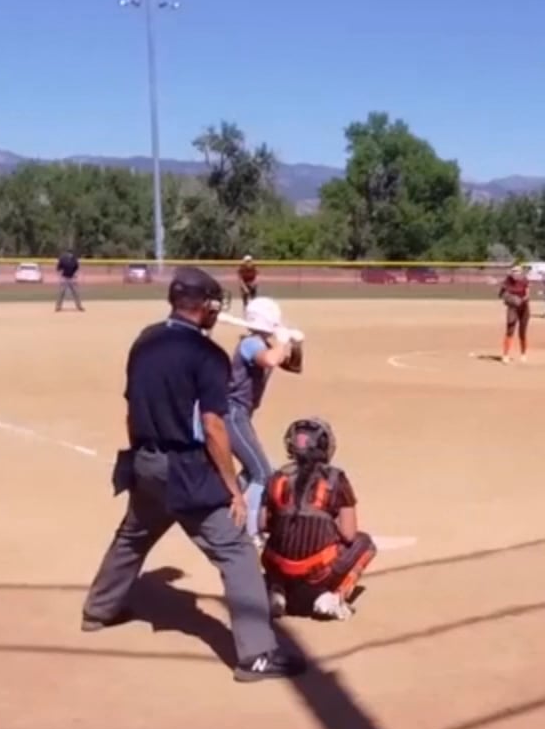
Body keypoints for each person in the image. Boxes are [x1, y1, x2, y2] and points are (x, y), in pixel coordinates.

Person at [79, 268, 304, 682]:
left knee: (133, 534)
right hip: (184, 467)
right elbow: (214, 427)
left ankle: (99, 609)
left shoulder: (145, 341)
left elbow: (131, 410)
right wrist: (232, 490)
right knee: (236, 550)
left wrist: (140, 457)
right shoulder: (207, 355)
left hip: (146, 458)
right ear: (205, 307)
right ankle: (256, 655)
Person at [261, 417, 377, 621]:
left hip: (279, 566)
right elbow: (349, 534)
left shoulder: (277, 477)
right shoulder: (335, 479)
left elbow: (262, 524)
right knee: (365, 543)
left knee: (270, 545)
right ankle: (334, 597)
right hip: (318, 572)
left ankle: (277, 589)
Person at [227, 296, 299, 546]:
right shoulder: (250, 344)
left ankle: (222, 506)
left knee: (252, 470)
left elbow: (294, 366)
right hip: (232, 413)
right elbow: (269, 360)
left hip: (241, 414)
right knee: (262, 473)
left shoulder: (264, 344)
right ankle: (251, 531)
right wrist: (283, 341)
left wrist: (295, 345)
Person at [499, 264, 532, 363]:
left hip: (524, 308)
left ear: (521, 272)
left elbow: (527, 295)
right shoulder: (507, 280)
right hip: (513, 308)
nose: (515, 273)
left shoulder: (524, 280)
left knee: (522, 332)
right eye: (513, 271)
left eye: (517, 271)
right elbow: (501, 294)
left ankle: (523, 354)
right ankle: (505, 355)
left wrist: (522, 300)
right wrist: (508, 298)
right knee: (510, 330)